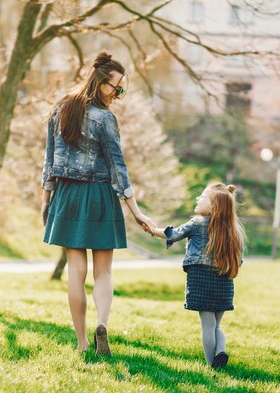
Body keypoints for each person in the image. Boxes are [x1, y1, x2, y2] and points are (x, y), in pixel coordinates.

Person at [41, 52, 156, 356]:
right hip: (100, 195)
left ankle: (81, 343)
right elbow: (118, 167)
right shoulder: (105, 119)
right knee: (103, 272)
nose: (118, 94)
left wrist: (46, 199)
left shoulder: (60, 108)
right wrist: (137, 211)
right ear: (101, 82)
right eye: (116, 87)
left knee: (75, 272)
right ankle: (101, 323)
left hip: (67, 196)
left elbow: (49, 160)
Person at [146, 183, 245, 368]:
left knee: (207, 325)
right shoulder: (233, 231)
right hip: (224, 281)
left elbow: (173, 234)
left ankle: (211, 365)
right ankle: (221, 351)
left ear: (213, 206)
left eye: (202, 197)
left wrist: (153, 230)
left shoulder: (197, 223)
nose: (198, 199)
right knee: (216, 325)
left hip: (200, 278)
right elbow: (238, 261)